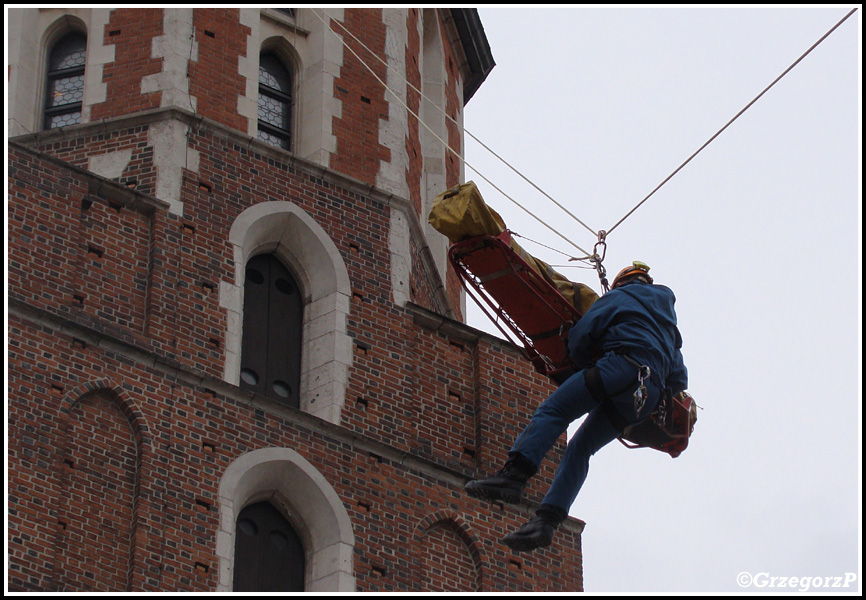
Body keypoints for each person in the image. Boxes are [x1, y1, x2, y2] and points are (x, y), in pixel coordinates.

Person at [464, 261, 688, 552]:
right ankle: (546, 521)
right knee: (582, 449)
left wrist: (580, 366)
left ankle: (514, 476)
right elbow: (679, 378)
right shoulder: (670, 328)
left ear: (622, 282)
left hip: (617, 367)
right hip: (645, 398)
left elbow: (582, 335)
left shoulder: (618, 297)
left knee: (554, 412)